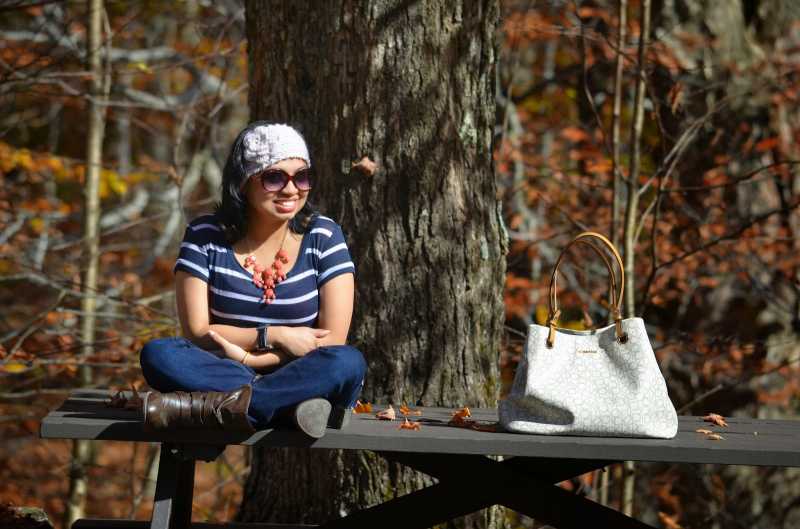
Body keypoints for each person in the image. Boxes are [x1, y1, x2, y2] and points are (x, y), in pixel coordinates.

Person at [139, 122, 366, 438]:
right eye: (274, 178)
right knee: (160, 355)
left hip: (306, 371)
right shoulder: (205, 236)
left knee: (346, 362)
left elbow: (330, 341)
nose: (291, 189)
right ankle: (285, 408)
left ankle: (215, 409)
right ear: (243, 183)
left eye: (302, 177)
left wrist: (252, 356)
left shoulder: (324, 236)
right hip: (226, 372)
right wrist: (273, 335)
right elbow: (199, 333)